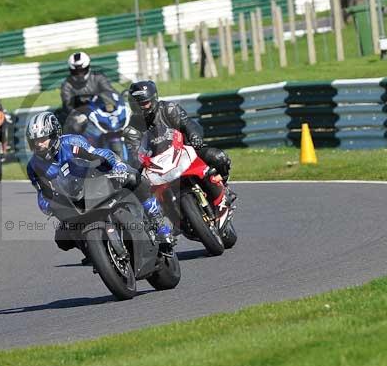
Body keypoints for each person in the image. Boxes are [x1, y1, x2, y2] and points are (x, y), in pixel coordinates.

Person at [25, 111, 172, 257]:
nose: (39, 144)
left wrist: (116, 166)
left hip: (98, 182)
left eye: (42, 139)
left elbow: (98, 154)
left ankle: (158, 223)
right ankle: (93, 252)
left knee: (133, 178)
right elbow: (41, 192)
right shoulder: (33, 166)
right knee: (62, 240)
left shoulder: (71, 142)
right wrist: (47, 205)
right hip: (72, 201)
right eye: (35, 141)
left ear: (54, 135)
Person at [126, 80, 234, 217]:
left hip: (185, 151)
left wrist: (194, 136)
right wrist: (140, 165)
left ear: (153, 99)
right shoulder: (131, 129)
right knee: (141, 192)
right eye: (139, 104)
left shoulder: (169, 109)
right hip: (158, 168)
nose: (144, 107)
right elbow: (134, 154)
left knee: (218, 157)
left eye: (146, 102)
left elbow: (188, 124)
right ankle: (163, 223)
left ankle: (224, 186)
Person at [60, 51, 117, 135]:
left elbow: (110, 93)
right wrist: (77, 114)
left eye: (82, 70)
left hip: (102, 112)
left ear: (88, 67)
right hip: (82, 116)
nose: (79, 74)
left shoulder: (99, 78)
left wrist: (109, 102)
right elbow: (67, 104)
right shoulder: (67, 85)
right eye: (76, 72)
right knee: (75, 127)